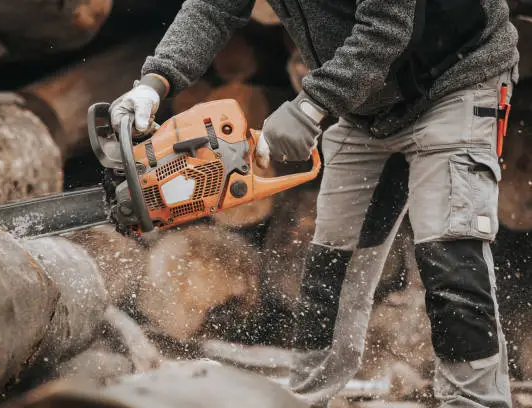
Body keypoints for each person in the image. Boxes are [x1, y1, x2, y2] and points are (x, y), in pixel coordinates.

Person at [109, 1, 520, 407]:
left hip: (455, 81)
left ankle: (474, 401)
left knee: (448, 254)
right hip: (365, 106)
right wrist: (155, 81)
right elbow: (213, 8)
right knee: (331, 265)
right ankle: (309, 396)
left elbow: (388, 25)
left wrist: (310, 106)